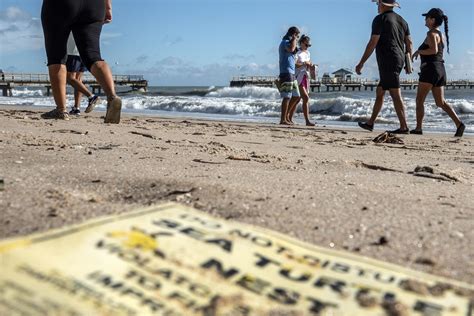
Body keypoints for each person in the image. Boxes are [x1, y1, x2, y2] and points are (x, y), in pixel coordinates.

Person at [40, 0, 121, 123]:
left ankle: (61, 110)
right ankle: (112, 97)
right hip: (95, 5)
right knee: (93, 56)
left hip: (61, 5)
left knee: (56, 57)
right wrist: (108, 7)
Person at [356, 0, 412, 134]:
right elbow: (409, 42)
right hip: (397, 59)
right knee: (380, 91)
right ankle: (370, 123)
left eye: (378, 3)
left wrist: (361, 62)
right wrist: (407, 61)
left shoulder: (380, 19)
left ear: (382, 4)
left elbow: (372, 42)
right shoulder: (402, 21)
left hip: (388, 59)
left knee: (395, 93)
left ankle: (404, 127)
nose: (377, 6)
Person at [410, 8, 465, 137]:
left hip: (430, 70)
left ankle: (418, 128)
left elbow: (433, 51)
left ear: (433, 20)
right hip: (440, 70)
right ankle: (459, 123)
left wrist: (419, 52)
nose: (425, 19)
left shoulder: (431, 34)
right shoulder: (441, 35)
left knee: (419, 101)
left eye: (427, 17)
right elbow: (437, 52)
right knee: (440, 102)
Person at [66, 33, 100, 116]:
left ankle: (91, 97)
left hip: (72, 50)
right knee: (78, 80)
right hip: (84, 51)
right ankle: (76, 108)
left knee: (70, 78)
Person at [288, 35, 316, 126]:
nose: (307, 47)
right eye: (306, 45)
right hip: (298, 76)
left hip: (305, 76)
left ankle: (288, 118)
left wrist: (310, 65)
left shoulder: (308, 53)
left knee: (297, 99)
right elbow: (295, 64)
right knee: (305, 98)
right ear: (301, 43)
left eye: (309, 45)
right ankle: (307, 121)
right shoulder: (297, 52)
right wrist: (304, 63)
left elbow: (307, 63)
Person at [277, 26, 301, 125]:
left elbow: (294, 50)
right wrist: (294, 39)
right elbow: (291, 49)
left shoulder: (289, 43)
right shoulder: (284, 42)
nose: (297, 38)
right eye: (297, 36)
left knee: (296, 96)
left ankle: (286, 116)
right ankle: (283, 119)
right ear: (293, 34)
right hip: (286, 72)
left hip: (292, 73)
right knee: (287, 96)